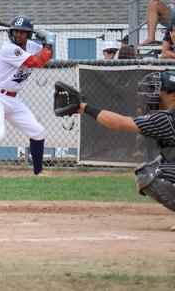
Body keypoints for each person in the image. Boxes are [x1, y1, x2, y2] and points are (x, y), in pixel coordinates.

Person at [75, 70, 175, 222]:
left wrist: (85, 108)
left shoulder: (166, 120)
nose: (152, 94)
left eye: (158, 90)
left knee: (149, 173)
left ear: (173, 95)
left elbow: (118, 122)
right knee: (162, 161)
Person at [0, 16, 54, 176]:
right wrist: (49, 43)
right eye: (15, 31)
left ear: (28, 34)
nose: (18, 35)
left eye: (22, 32)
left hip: (12, 99)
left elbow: (47, 56)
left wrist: (46, 42)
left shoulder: (32, 46)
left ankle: (38, 172)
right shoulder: (9, 48)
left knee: (38, 132)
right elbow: (37, 62)